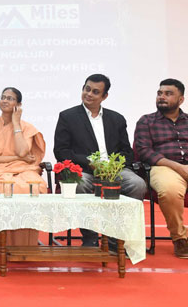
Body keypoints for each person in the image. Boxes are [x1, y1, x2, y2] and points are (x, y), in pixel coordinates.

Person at [54, 74, 146, 247]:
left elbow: (127, 152)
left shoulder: (117, 119)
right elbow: (61, 151)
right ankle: (90, 236)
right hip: (84, 170)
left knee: (138, 184)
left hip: (114, 171)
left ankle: (117, 237)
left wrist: (112, 166)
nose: (89, 94)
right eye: (87, 89)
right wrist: (89, 162)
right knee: (79, 184)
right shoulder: (68, 116)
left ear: (104, 96)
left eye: (95, 92)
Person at [134, 78, 188, 259]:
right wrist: (179, 168)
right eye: (159, 93)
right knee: (169, 191)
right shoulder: (146, 121)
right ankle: (179, 238)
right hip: (164, 167)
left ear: (181, 99)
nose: (162, 97)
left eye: (168, 94)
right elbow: (144, 151)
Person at [0, 87, 47, 246]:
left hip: (24, 169)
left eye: (10, 98)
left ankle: (25, 245)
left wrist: (16, 123)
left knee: (35, 187)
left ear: (18, 104)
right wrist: (16, 158)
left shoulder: (27, 127)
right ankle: (0, 243)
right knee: (4, 188)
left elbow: (22, 151)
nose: (5, 101)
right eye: (3, 97)